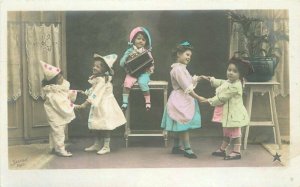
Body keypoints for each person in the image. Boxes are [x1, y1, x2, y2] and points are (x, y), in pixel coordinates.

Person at [201, 56, 254, 160]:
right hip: (228, 113)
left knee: (235, 132)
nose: (230, 73)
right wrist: (210, 79)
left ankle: (237, 152)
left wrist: (208, 101)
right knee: (226, 131)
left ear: (240, 75)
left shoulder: (236, 85)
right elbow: (221, 82)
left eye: (234, 71)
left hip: (234, 114)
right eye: (229, 70)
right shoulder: (229, 82)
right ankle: (222, 149)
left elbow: (222, 97)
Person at [161, 41, 206, 159]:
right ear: (178, 54)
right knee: (183, 123)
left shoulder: (182, 69)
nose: (189, 57)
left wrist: (198, 78)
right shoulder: (177, 70)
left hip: (184, 97)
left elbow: (189, 81)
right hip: (180, 99)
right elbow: (186, 86)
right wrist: (197, 97)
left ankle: (176, 146)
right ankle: (187, 148)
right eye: (187, 54)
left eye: (190, 56)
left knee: (179, 123)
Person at [76, 53, 126, 155]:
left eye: (98, 66)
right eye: (94, 65)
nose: (94, 67)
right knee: (96, 124)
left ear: (104, 69)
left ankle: (106, 146)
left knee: (105, 125)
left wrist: (85, 104)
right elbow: (93, 89)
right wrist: (85, 92)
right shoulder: (98, 79)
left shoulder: (102, 80)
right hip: (98, 104)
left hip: (105, 105)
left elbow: (96, 92)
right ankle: (97, 143)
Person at [40, 60, 78, 157]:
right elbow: (61, 102)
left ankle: (54, 147)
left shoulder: (59, 88)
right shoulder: (52, 92)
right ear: (53, 81)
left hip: (58, 112)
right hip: (55, 113)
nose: (62, 78)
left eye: (61, 76)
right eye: (59, 77)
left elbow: (65, 94)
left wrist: (74, 92)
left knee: (55, 130)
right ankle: (61, 149)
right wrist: (73, 105)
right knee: (58, 130)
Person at [119, 26, 154, 111]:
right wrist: (126, 59)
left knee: (143, 83)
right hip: (132, 73)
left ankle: (148, 102)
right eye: (138, 38)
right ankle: (124, 102)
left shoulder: (146, 52)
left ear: (145, 42)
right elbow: (121, 63)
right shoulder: (129, 51)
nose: (141, 41)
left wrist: (151, 69)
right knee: (127, 83)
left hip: (143, 73)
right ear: (134, 39)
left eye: (143, 40)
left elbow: (151, 62)